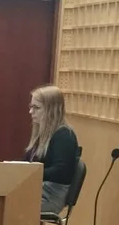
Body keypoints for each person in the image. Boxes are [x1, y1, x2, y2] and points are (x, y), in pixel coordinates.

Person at [24, 85, 79, 214]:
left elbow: (61, 171)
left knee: (9, 204)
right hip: (39, 189)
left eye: (36, 108)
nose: (31, 112)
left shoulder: (64, 135)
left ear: (52, 110)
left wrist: (31, 173)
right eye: (31, 106)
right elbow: (27, 161)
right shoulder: (41, 134)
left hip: (51, 197)